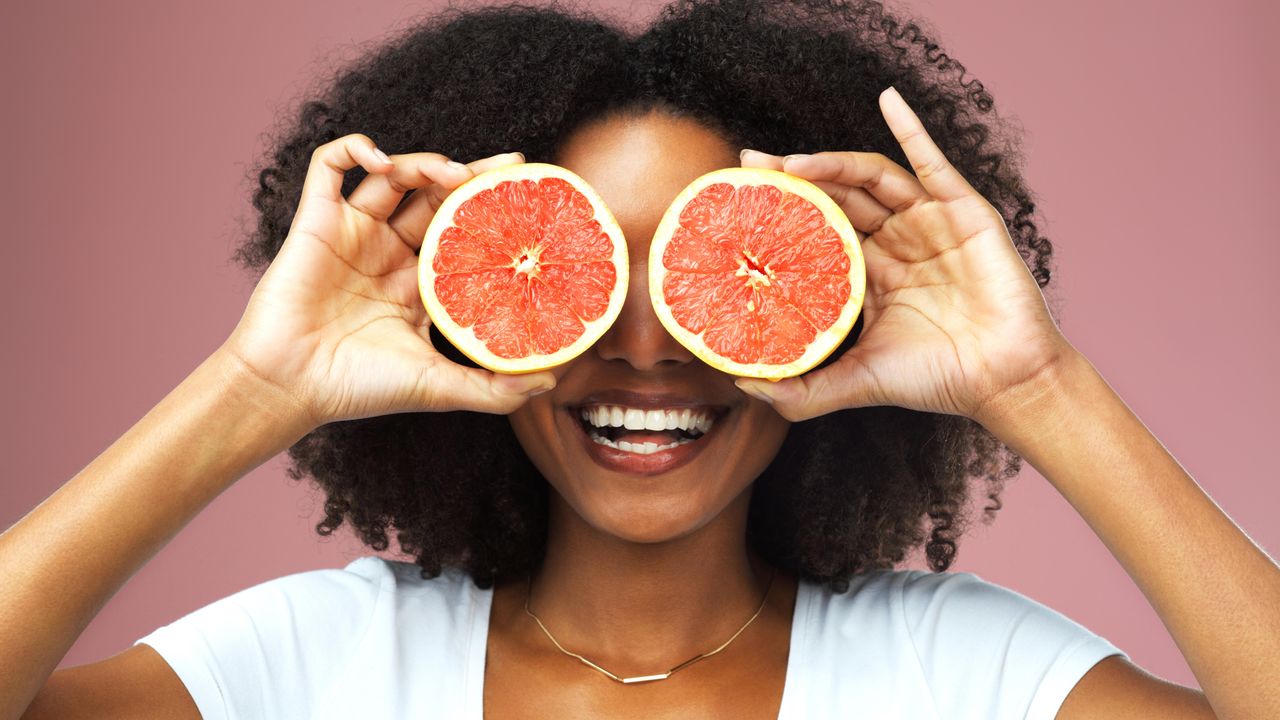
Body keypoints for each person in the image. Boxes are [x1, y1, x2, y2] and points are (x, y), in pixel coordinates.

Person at [4, 0, 1276, 717]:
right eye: (580, 272)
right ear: (468, 304)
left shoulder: (966, 678)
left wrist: (1033, 387)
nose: (648, 345)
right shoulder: (314, 664)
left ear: (836, 304)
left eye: (718, 273)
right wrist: (257, 385)